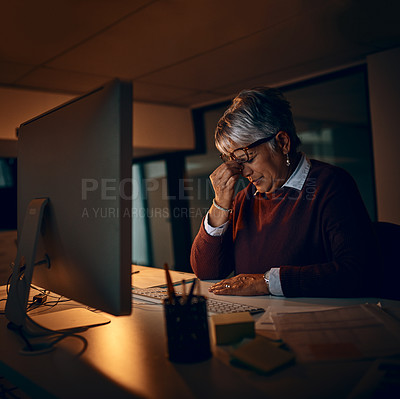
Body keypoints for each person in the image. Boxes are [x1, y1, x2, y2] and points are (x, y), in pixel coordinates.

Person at [190, 87, 378, 298]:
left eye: (248, 158)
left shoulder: (330, 184)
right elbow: (207, 271)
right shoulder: (245, 199)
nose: (243, 172)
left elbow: (355, 272)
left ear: (282, 142)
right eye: (235, 162)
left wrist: (266, 282)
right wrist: (220, 204)